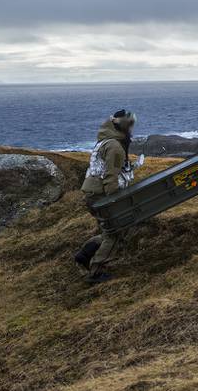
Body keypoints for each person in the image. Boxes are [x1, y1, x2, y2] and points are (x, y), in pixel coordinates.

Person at [74, 109, 138, 284]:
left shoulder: (104, 142)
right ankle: (95, 272)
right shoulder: (116, 147)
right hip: (102, 196)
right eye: (130, 124)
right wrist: (114, 199)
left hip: (92, 193)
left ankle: (84, 255)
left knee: (108, 230)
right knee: (115, 234)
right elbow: (111, 177)